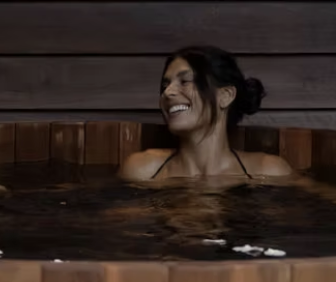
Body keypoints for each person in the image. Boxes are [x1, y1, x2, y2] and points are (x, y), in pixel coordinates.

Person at [120, 45, 292, 182]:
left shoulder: (267, 171)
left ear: (225, 96)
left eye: (185, 81)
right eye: (165, 85)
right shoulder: (142, 170)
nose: (167, 92)